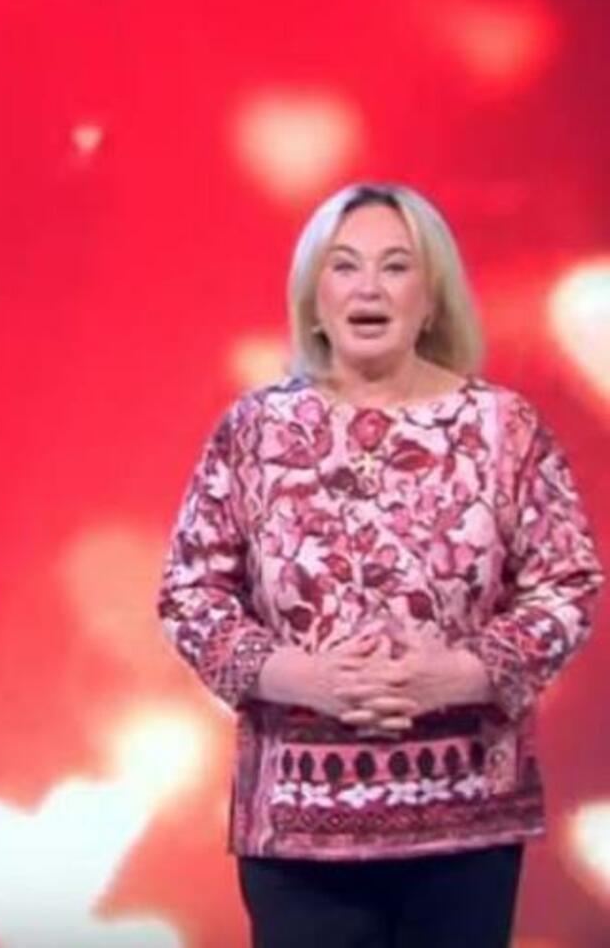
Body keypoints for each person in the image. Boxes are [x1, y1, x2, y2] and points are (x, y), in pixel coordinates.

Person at [159, 181, 602, 947]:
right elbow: (190, 595)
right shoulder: (255, 430)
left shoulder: (504, 428)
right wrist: (301, 678)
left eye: (396, 267)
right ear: (314, 297)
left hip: (466, 830)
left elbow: (566, 587)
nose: (369, 287)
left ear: (431, 299)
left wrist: (459, 675)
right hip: (299, 835)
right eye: (345, 266)